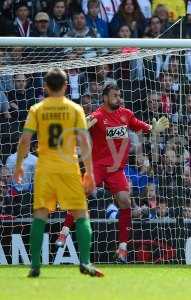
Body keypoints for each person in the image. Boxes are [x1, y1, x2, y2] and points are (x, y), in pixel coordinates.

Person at [56, 83, 169, 263]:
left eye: (119, 95)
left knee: (125, 201)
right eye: (115, 95)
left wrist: (152, 128)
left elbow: (139, 125)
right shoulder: (98, 116)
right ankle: (64, 232)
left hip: (116, 170)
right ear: (105, 98)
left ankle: (122, 248)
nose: (118, 98)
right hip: (98, 166)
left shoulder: (126, 114)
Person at [13, 68, 103, 277]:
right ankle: (85, 263)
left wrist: (18, 166)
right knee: (81, 215)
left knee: (40, 216)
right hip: (69, 168)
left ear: (45, 86)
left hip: (45, 168)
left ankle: (35, 266)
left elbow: (25, 140)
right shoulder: (75, 109)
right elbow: (84, 142)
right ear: (65, 86)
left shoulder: (37, 109)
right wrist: (89, 171)